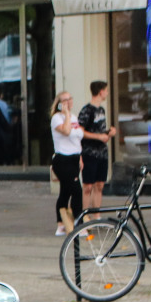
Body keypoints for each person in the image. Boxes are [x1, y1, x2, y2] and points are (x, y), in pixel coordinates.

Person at [77, 80, 116, 219]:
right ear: (100, 92)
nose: (107, 93)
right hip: (89, 152)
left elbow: (99, 130)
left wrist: (108, 133)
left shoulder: (101, 110)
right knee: (88, 185)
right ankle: (85, 215)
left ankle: (97, 215)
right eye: (105, 90)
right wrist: (98, 137)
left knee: (99, 184)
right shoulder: (87, 110)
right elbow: (80, 131)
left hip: (102, 152)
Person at [49, 91, 84, 236]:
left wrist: (80, 157)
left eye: (70, 99)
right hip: (62, 159)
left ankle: (61, 224)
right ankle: (78, 222)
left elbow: (77, 138)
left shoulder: (74, 117)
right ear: (58, 104)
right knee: (77, 190)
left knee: (65, 191)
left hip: (74, 157)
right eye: (64, 100)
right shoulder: (57, 119)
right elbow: (66, 131)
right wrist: (66, 114)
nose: (68, 102)